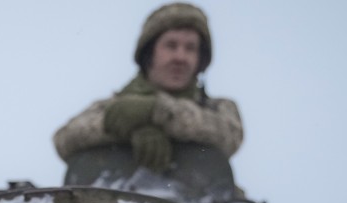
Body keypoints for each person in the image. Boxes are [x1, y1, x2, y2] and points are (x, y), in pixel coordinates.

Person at [53, 2, 243, 173]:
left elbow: (229, 136)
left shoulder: (217, 108)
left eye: (190, 48)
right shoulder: (113, 106)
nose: (180, 57)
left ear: (200, 58)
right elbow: (65, 139)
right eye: (171, 45)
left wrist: (156, 110)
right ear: (149, 53)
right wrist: (132, 129)